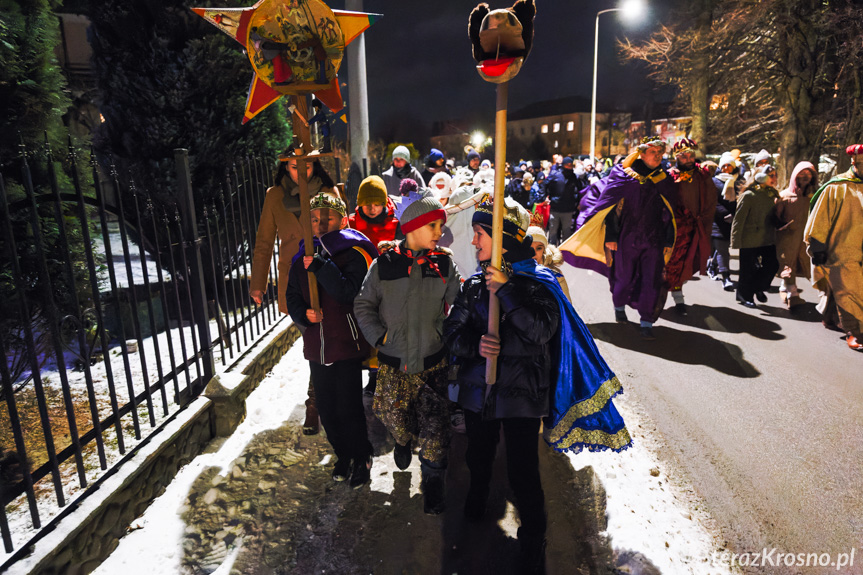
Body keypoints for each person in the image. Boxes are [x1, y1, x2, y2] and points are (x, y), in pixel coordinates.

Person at [443, 196, 631, 574]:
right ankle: (477, 497)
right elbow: (451, 334)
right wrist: (477, 348)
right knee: (477, 456)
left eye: (480, 234)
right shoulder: (474, 286)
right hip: (480, 391)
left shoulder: (537, 283)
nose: (474, 241)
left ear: (502, 240)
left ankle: (533, 537)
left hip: (523, 397)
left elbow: (541, 331)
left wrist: (507, 290)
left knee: (522, 471)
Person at [353, 193, 461, 514]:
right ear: (413, 227)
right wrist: (379, 336)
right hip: (394, 362)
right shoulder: (384, 264)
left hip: (433, 361)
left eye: (440, 225)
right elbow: (364, 304)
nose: (439, 232)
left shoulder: (443, 263)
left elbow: (463, 299)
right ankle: (402, 440)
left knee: (435, 426)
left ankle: (433, 483)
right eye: (434, 226)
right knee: (391, 415)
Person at [285, 192, 377, 488]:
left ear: (342, 220)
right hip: (317, 346)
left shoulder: (353, 251)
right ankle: (343, 454)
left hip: (345, 343)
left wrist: (323, 266)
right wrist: (304, 314)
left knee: (349, 405)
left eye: (328, 218)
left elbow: (349, 293)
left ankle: (361, 455)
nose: (321, 224)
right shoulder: (301, 257)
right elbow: (292, 297)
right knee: (326, 407)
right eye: (314, 219)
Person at [250, 158, 336, 436]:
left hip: (326, 274)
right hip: (294, 282)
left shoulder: (328, 191)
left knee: (326, 341)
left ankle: (320, 400)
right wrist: (258, 282)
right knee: (313, 341)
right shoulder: (275, 196)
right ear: (285, 168)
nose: (301, 172)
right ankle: (317, 402)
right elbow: (264, 240)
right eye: (294, 166)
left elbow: (343, 230)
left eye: (307, 166)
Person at [560, 137, 676, 340]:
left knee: (651, 280)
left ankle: (646, 321)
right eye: (653, 152)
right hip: (626, 237)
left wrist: (668, 240)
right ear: (641, 153)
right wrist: (611, 236)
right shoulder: (625, 176)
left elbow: (671, 214)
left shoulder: (663, 180)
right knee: (623, 277)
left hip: (654, 240)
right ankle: (619, 306)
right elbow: (610, 209)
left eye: (660, 152)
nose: (657, 156)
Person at [804, 144, 863, 351]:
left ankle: (829, 316)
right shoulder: (837, 187)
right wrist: (817, 248)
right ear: (855, 162)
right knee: (849, 291)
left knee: (840, 288)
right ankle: (855, 332)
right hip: (842, 250)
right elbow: (819, 219)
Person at [347, 175, 402, 396]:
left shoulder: (397, 222)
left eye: (376, 203)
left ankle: (384, 377)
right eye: (366, 204)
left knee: (386, 335)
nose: (371, 208)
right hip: (360, 286)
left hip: (390, 287)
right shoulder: (350, 223)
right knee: (364, 335)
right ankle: (371, 376)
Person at [664, 139, 716, 314]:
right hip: (673, 228)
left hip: (694, 227)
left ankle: (678, 297)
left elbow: (710, 200)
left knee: (686, 263)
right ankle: (656, 297)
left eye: (691, 155)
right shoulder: (669, 176)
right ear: (676, 157)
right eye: (683, 156)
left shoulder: (702, 176)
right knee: (668, 263)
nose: (688, 159)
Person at [730, 165, 780, 308]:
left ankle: (757, 287)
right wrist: (736, 242)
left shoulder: (773, 194)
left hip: (767, 238)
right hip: (749, 238)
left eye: (774, 175)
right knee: (748, 269)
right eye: (769, 175)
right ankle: (745, 295)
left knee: (772, 265)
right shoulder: (749, 195)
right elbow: (738, 220)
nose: (773, 178)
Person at [775, 161, 818, 309]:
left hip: (806, 239)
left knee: (806, 264)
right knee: (788, 264)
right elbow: (774, 219)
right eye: (802, 173)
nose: (805, 176)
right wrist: (784, 227)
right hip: (787, 239)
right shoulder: (784, 197)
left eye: (809, 173)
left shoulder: (815, 197)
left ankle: (785, 288)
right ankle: (792, 294)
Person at [544, 156, 583, 245]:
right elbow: (545, 185)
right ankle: (552, 252)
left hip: (568, 210)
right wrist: (545, 197)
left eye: (570, 165)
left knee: (566, 233)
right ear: (563, 165)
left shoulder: (574, 177)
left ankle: (564, 255)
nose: (569, 167)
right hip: (555, 209)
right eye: (567, 165)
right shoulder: (555, 175)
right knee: (553, 233)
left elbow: (580, 190)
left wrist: (578, 202)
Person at [528, 225, 571, 302]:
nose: (534, 253)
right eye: (529, 248)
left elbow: (567, 306)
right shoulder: (514, 269)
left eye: (539, 248)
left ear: (544, 250)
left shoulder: (555, 275)